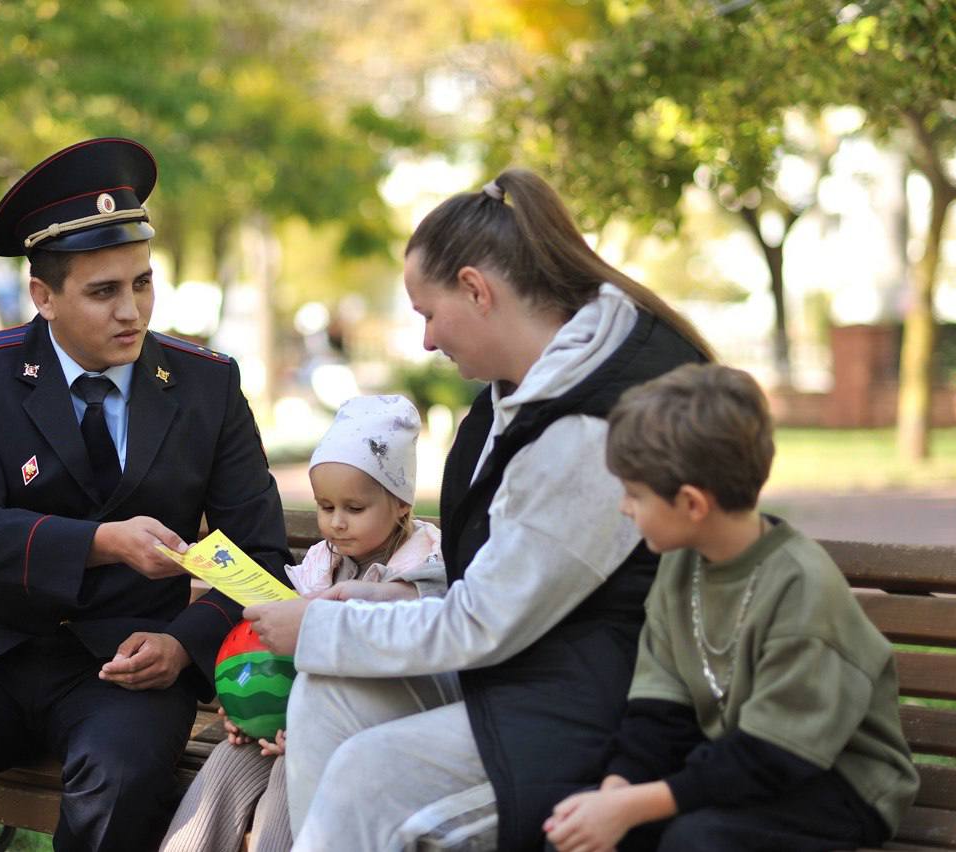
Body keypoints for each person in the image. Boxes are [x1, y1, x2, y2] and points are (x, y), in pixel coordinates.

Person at [0, 138, 292, 851]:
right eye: (104, 292)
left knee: (119, 780)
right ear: (43, 297)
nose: (132, 311)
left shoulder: (206, 384)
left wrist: (181, 644)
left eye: (142, 283)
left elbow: (258, 554)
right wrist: (103, 543)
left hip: (130, 667)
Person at [245, 169, 714, 851]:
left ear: (476, 289)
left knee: (369, 778)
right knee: (329, 692)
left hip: (611, 711)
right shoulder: (518, 393)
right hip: (524, 673)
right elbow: (502, 586)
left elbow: (486, 622)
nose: (427, 341)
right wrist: (382, 601)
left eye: (428, 314)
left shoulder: (594, 424)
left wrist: (320, 625)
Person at [544, 363, 918, 852]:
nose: (624, 507)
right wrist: (615, 793)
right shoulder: (681, 565)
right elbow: (661, 712)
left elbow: (775, 756)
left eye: (635, 494)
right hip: (736, 763)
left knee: (699, 841)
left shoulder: (800, 587)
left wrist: (633, 806)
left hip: (838, 784)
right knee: (576, 834)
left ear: (692, 504)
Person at [162, 393, 446, 852]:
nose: (336, 523)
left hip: (371, 726)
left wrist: (304, 727)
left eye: (354, 508)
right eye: (325, 507)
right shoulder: (322, 562)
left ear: (400, 503)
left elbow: (409, 667)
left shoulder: (420, 570)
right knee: (226, 763)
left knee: (287, 779)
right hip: (291, 718)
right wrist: (248, 706)